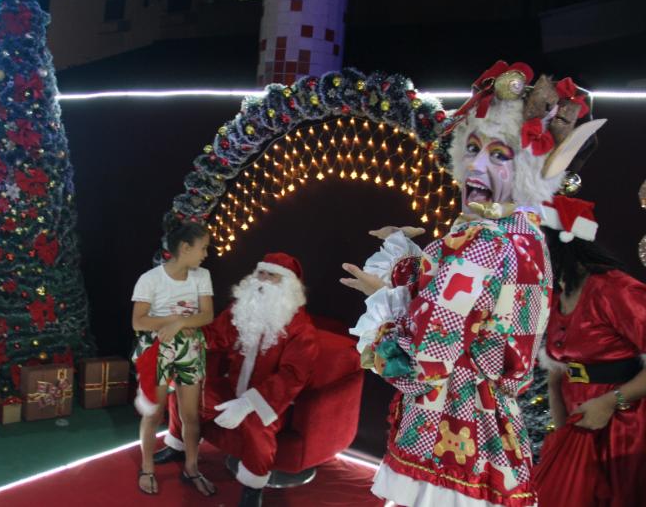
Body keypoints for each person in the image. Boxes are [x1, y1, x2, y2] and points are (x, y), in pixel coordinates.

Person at [341, 62, 605, 506]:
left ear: (525, 167)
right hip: (492, 435)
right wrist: (403, 256)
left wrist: (380, 306)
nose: (475, 165)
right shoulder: (525, 235)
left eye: (500, 154)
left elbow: (422, 364)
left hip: (444, 434)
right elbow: (465, 301)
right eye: (474, 147)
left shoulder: (480, 242)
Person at [153, 253, 318, 507]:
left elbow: (292, 375)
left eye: (270, 275)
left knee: (257, 427)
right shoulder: (242, 307)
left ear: (288, 285)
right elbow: (216, 335)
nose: (261, 280)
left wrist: (248, 403)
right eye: (260, 273)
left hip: (269, 399)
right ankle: (178, 444)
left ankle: (253, 486)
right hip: (232, 387)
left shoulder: (301, 328)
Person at [538, 195, 646, 507]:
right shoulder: (558, 295)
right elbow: (557, 375)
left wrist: (611, 402)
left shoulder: (615, 290)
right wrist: (562, 435)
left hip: (626, 434)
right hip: (579, 430)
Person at [131, 220, 216, 496]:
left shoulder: (202, 276)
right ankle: (147, 467)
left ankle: (192, 467)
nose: (205, 254)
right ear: (185, 247)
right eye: (202, 248)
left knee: (190, 414)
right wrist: (175, 320)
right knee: (154, 412)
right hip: (157, 349)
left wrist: (179, 322)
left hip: (189, 350)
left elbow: (207, 315)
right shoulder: (150, 279)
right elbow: (139, 322)